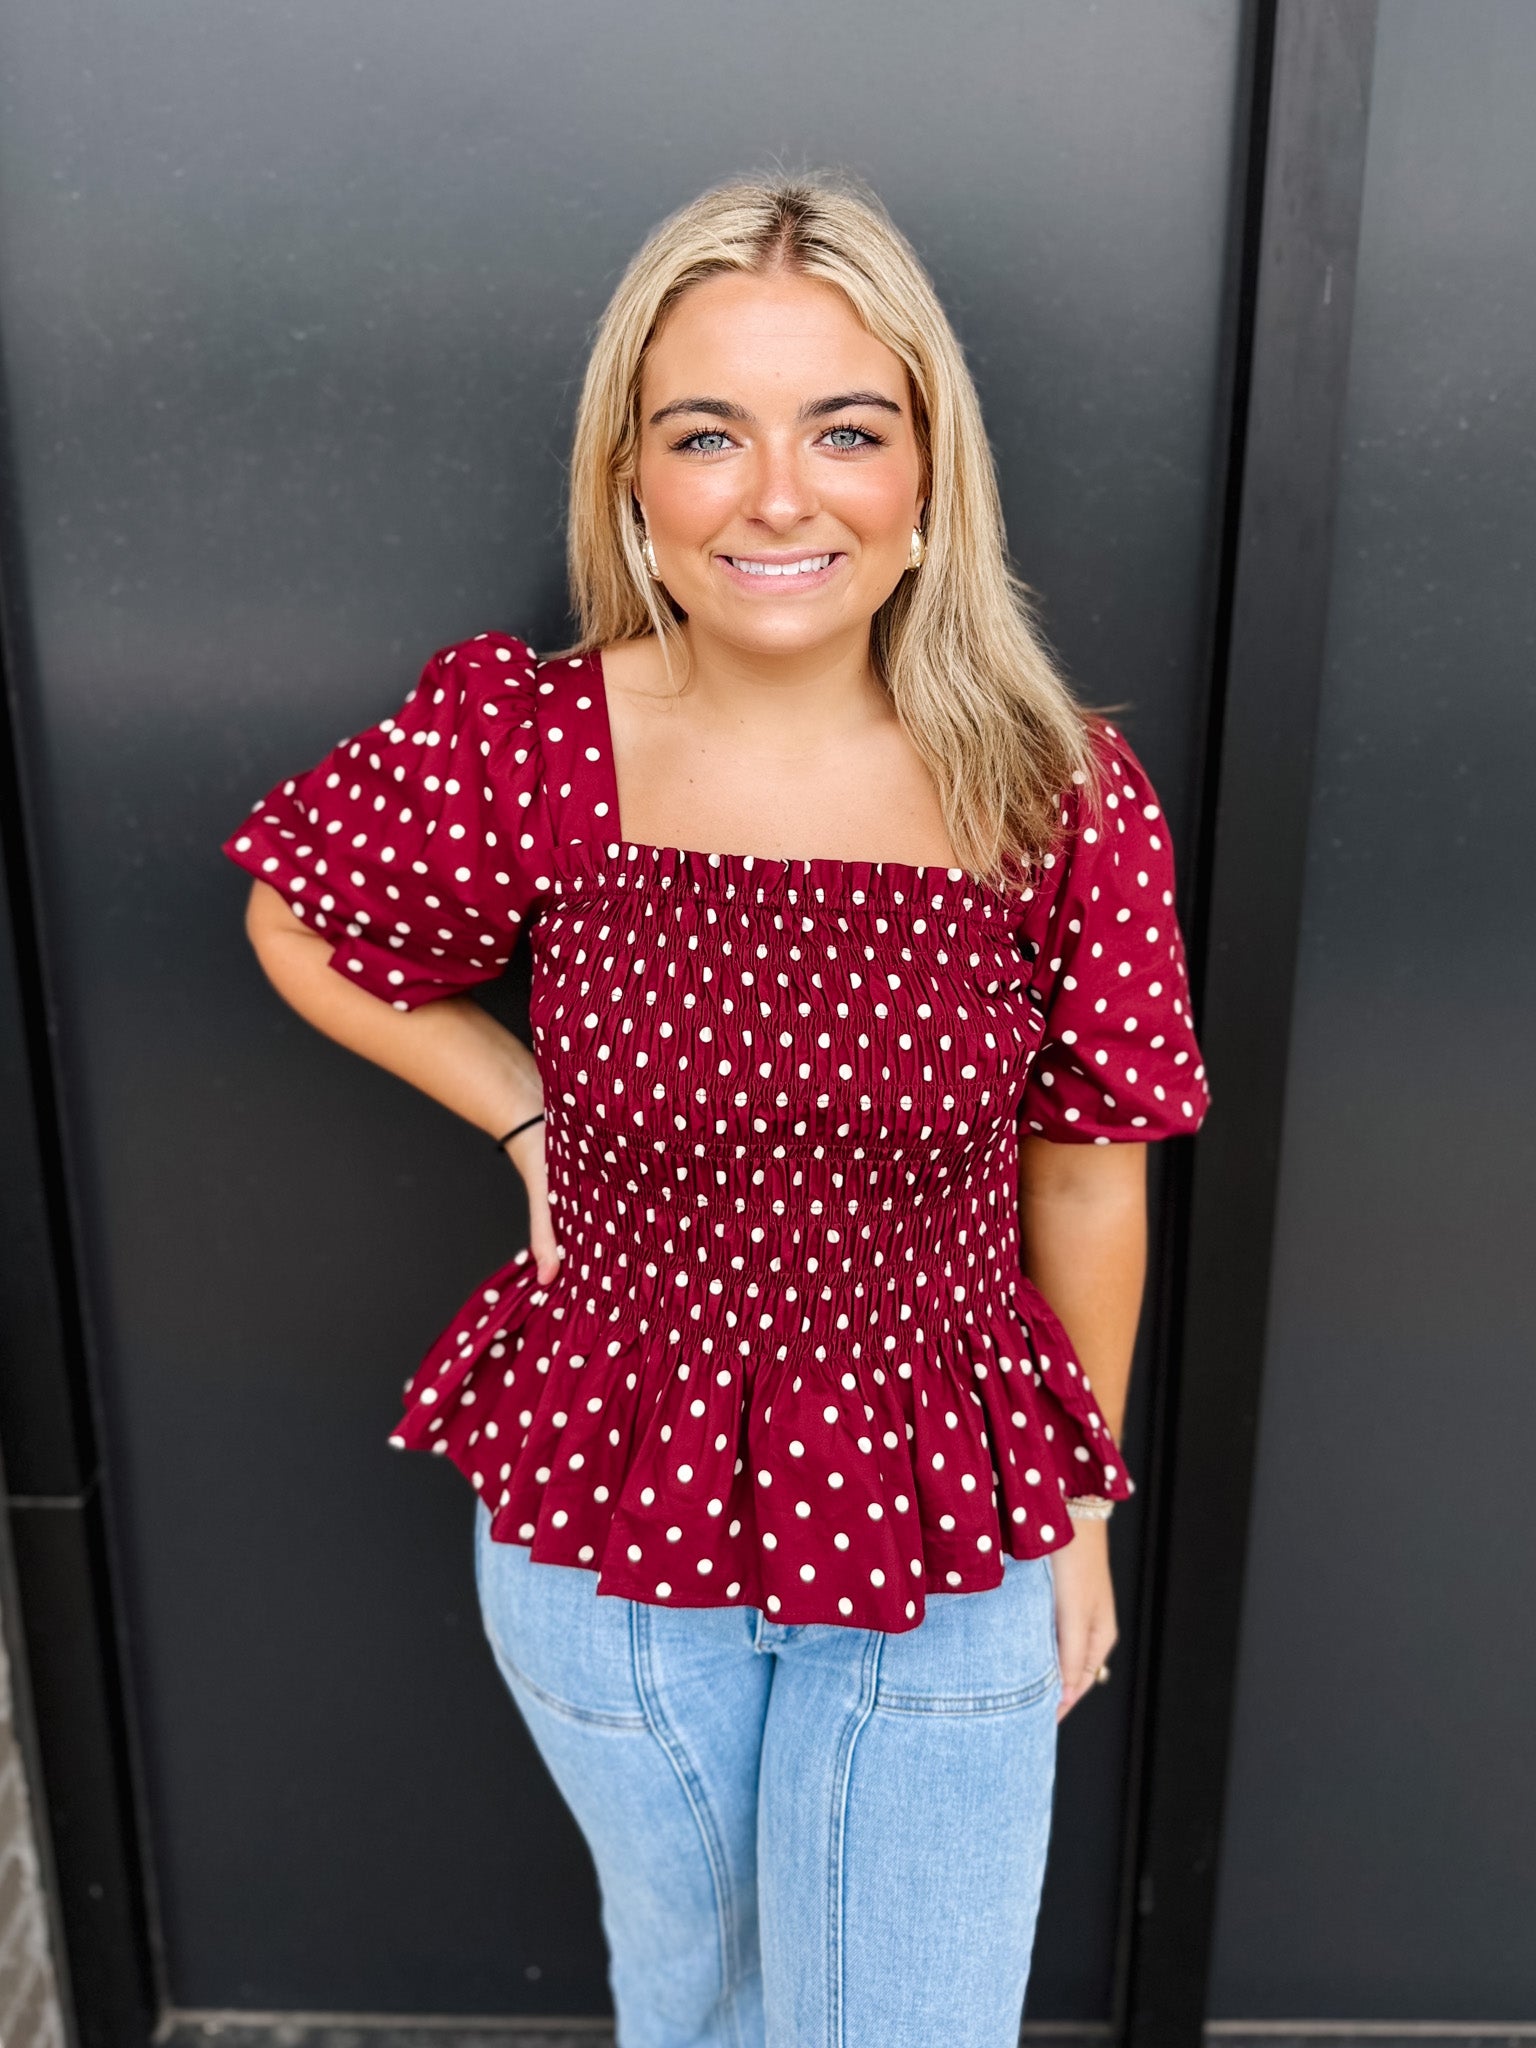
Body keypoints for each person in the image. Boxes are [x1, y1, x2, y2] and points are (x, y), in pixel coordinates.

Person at [225, 173, 1209, 2048]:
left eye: (847, 429)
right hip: (615, 1535)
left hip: (945, 1528)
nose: (779, 494)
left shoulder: (1052, 792)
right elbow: (304, 915)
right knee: (700, 2001)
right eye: (708, 434)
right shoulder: (529, 741)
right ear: (632, 484)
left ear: (927, 482)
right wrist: (519, 1115)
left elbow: (1092, 1183)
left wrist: (1080, 1517)